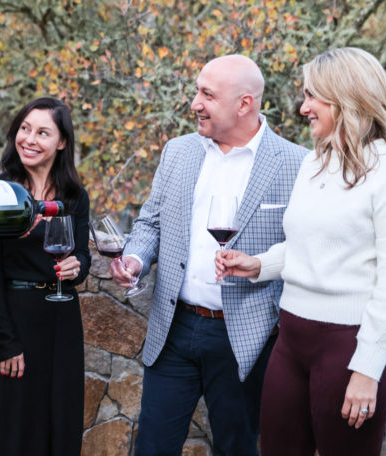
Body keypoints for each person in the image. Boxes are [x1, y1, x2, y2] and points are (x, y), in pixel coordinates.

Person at [215, 47, 386, 456]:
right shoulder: (314, 163)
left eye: (312, 96)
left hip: (347, 347)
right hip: (291, 339)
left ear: (345, 98)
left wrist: (367, 368)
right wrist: (259, 264)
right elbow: (307, 245)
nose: (303, 107)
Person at [110, 55, 308, 455]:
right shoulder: (178, 151)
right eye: (197, 91)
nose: (195, 103)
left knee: (238, 448)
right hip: (174, 330)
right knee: (151, 447)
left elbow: (304, 246)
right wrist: (135, 258)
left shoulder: (297, 163)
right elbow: (150, 222)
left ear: (244, 104)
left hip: (247, 339)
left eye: (207, 95)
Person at [0, 97, 90, 455]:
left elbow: (82, 255)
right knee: (16, 430)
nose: (29, 139)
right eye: (25, 129)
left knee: (62, 424)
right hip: (16, 321)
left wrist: (77, 267)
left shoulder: (74, 196)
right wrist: (7, 341)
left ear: (62, 142)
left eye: (42, 132)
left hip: (63, 320)